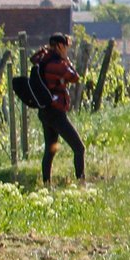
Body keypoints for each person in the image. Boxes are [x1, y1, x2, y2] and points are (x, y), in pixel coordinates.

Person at [32, 32, 84, 185]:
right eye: (66, 46)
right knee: (79, 148)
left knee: (50, 149)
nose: (67, 49)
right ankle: (81, 182)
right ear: (60, 46)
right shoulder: (57, 64)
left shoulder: (43, 60)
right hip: (56, 112)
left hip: (45, 111)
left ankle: (46, 183)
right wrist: (66, 60)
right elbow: (74, 77)